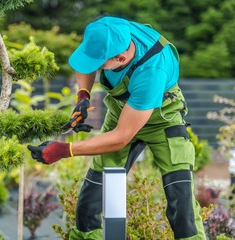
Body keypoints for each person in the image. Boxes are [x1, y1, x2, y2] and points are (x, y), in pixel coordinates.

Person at [28, 16, 206, 240]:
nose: (97, 67)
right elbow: (88, 61)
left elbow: (121, 136)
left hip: (163, 120)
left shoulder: (152, 71)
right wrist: (83, 96)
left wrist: (64, 150)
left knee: (182, 205)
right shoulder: (110, 32)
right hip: (122, 112)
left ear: (121, 58)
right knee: (91, 200)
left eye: (101, 65)